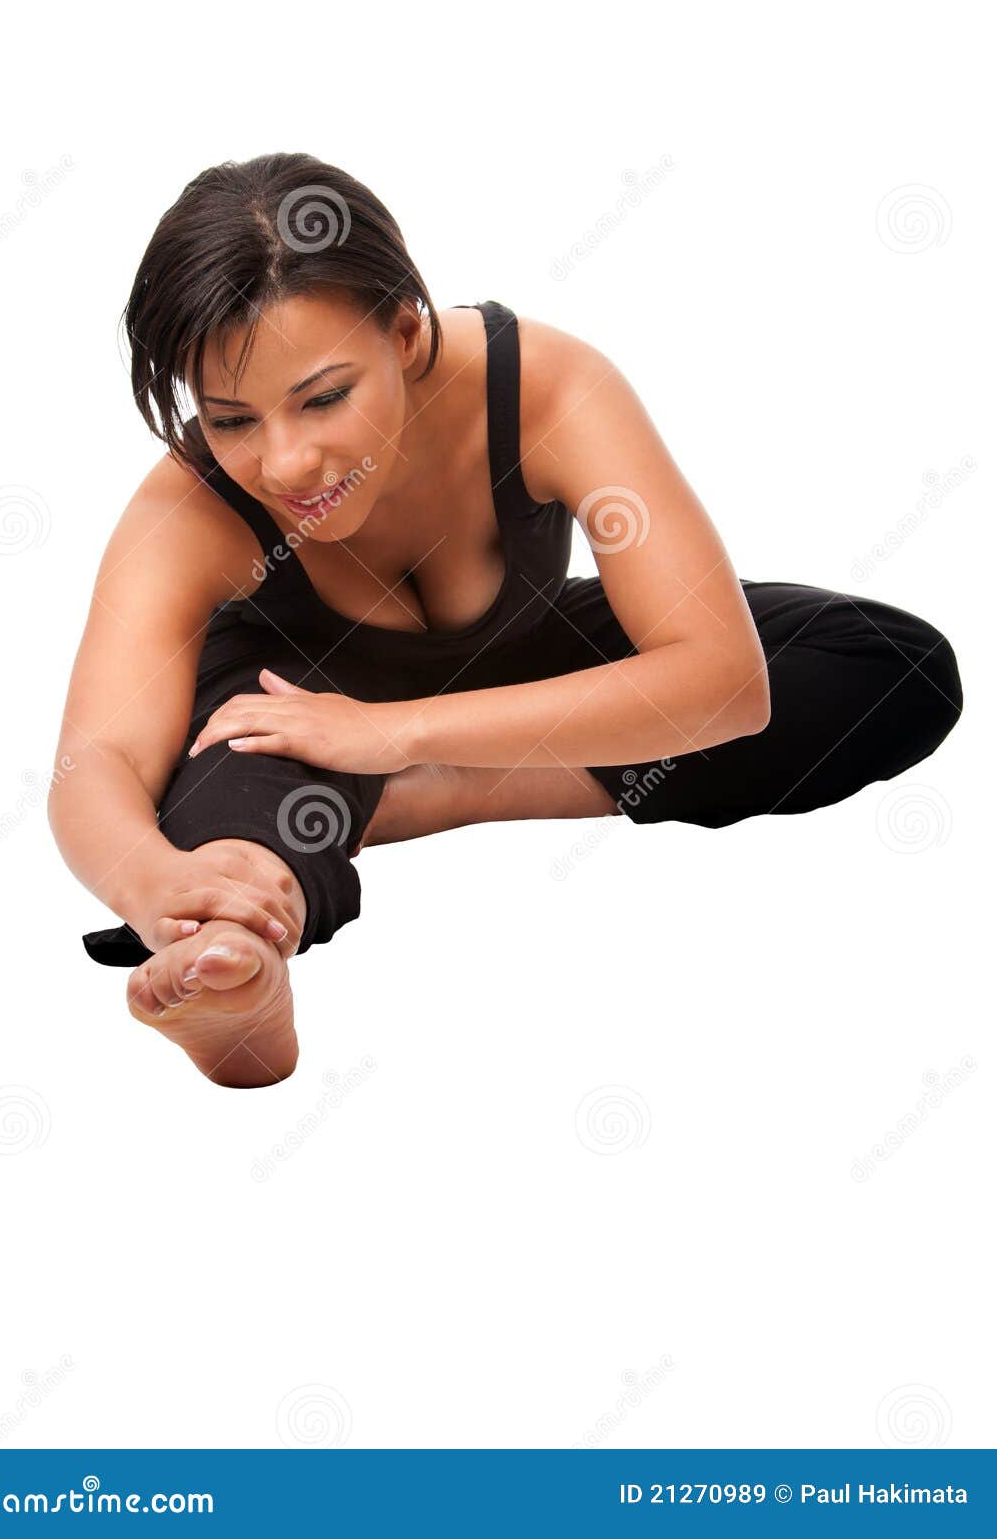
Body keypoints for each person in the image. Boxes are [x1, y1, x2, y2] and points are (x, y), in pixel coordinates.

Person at [47, 153, 963, 1089]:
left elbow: (724, 685)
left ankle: (404, 799)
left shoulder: (544, 388)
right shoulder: (186, 510)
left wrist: (389, 741)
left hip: (496, 669)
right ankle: (241, 981)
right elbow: (98, 765)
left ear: (403, 335)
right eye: (233, 420)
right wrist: (153, 886)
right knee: (232, 808)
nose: (286, 462)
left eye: (324, 397)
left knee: (890, 666)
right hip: (295, 706)